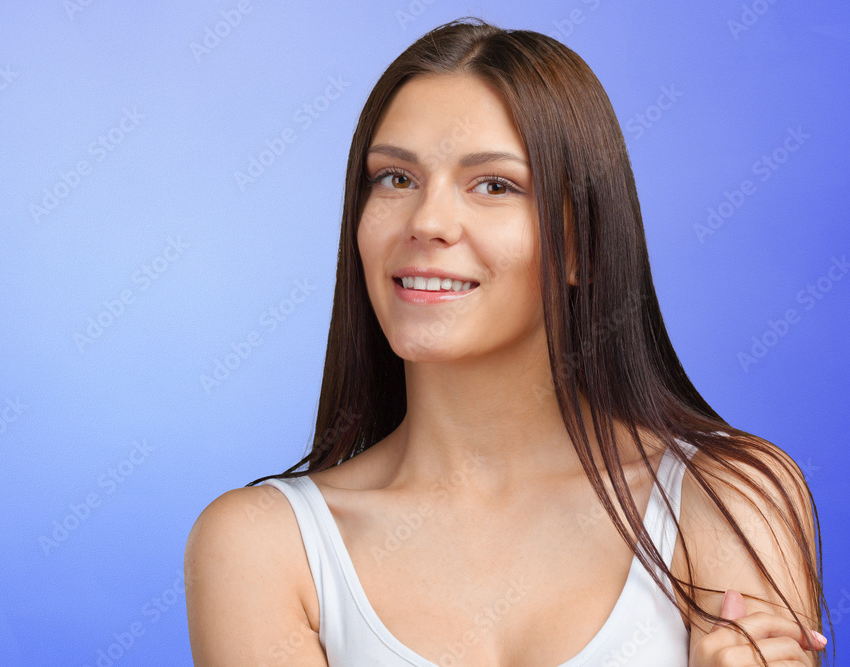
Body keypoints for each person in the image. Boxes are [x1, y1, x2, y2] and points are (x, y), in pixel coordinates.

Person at [185, 17, 830, 666]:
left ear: (581, 245)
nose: (427, 221)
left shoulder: (732, 497)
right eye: (395, 179)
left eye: (493, 184)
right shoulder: (259, 546)